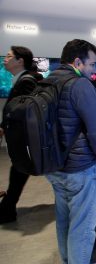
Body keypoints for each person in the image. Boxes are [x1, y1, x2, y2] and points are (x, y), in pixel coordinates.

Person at [45, 39, 96, 264]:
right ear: (77, 62)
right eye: (91, 64)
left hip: (54, 165)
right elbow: (95, 129)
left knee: (64, 220)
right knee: (82, 227)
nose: (94, 70)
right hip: (81, 168)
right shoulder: (80, 85)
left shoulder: (48, 81)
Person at [0, 46, 41, 224]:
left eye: (9, 56)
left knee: (20, 169)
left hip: (25, 140)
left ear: (20, 61)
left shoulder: (27, 81)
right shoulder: (21, 80)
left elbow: (28, 111)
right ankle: (7, 208)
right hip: (23, 140)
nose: (5, 59)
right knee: (19, 170)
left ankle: (7, 209)